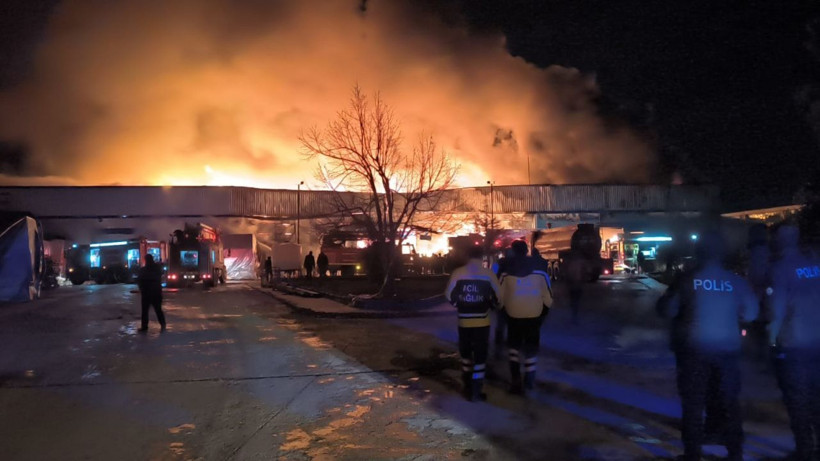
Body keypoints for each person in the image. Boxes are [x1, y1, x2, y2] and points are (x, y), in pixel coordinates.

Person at [656, 231, 758, 461]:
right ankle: (735, 453)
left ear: (698, 252)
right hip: (728, 352)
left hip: (694, 351)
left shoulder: (688, 280)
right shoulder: (735, 282)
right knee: (730, 404)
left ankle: (692, 454)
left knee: (693, 404)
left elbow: (666, 310)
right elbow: (752, 313)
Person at [768, 225, 820, 461]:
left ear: (779, 241)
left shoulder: (781, 269)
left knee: (798, 401)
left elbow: (777, 312)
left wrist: (771, 342)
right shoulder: (815, 265)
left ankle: (805, 450)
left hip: (795, 344)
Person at [445, 246, 502, 401]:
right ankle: (477, 389)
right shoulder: (488, 273)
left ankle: (467, 387)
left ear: (468, 256)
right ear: (482, 257)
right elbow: (499, 296)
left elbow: (449, 294)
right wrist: (492, 305)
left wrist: (459, 305)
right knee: (480, 356)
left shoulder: (458, 273)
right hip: (482, 321)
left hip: (464, 321)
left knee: (466, 355)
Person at [499, 240, 553, 395]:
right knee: (531, 348)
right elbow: (548, 298)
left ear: (513, 251)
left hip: (513, 316)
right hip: (534, 316)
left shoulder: (506, 270)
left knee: (514, 348)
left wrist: (503, 309)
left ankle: (515, 380)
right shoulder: (540, 271)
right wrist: (542, 314)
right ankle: (529, 379)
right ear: (527, 250)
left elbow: (500, 297)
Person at [138, 254, 166, 333]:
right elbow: (160, 275)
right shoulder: (157, 268)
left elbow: (140, 280)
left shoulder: (143, 270)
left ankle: (144, 326)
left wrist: (142, 288)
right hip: (156, 293)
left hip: (146, 293)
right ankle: (163, 324)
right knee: (158, 310)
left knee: (145, 311)